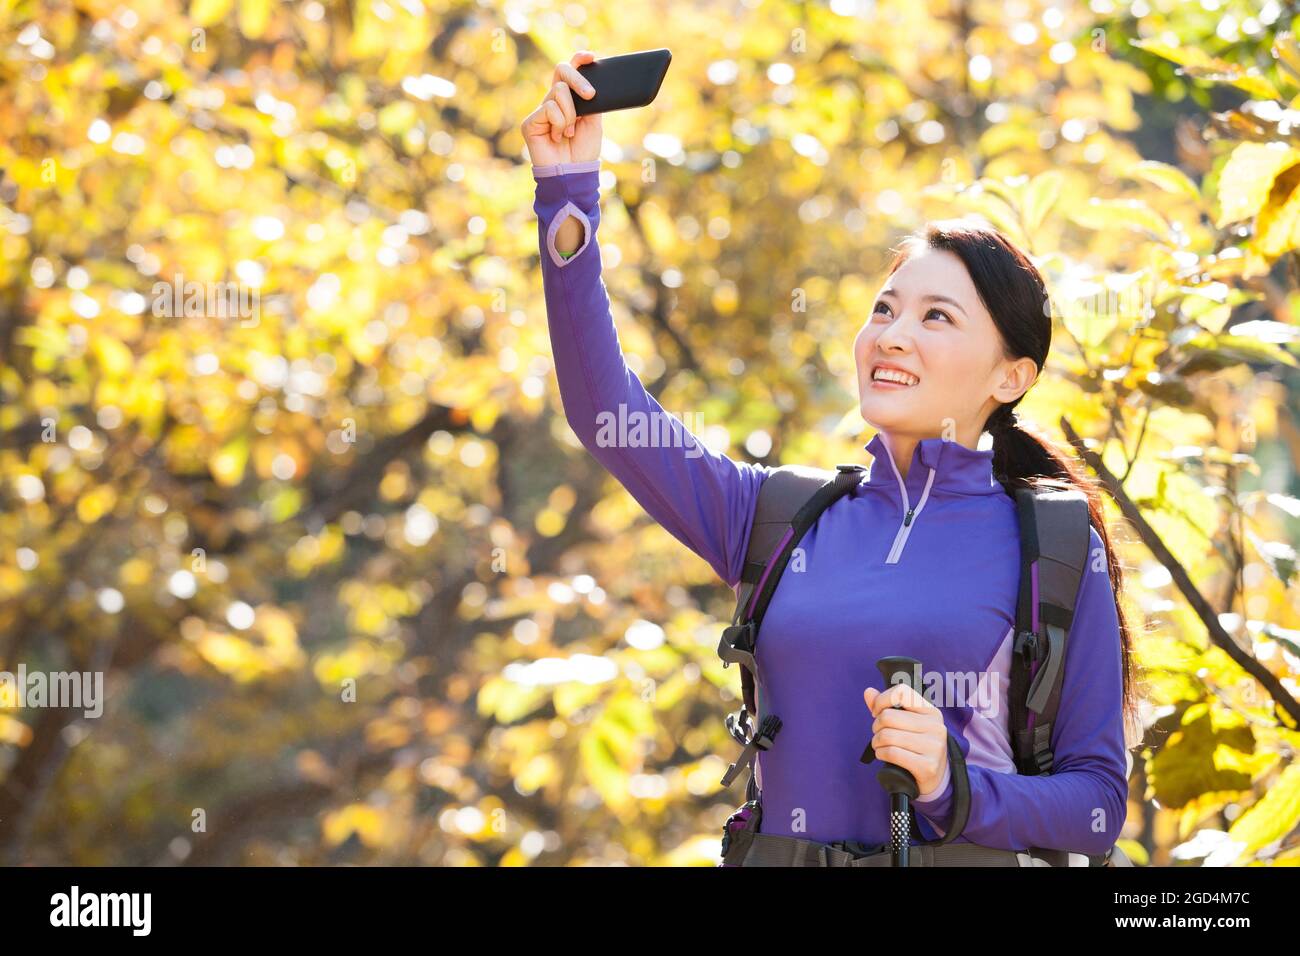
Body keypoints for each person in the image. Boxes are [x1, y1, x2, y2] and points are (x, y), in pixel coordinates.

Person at [520, 52, 1143, 859]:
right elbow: (605, 413)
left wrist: (954, 787)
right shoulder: (779, 518)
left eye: (936, 318)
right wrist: (568, 192)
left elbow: (1095, 805)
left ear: (1010, 375)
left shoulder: (1051, 548)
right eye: (885, 308)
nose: (891, 333)